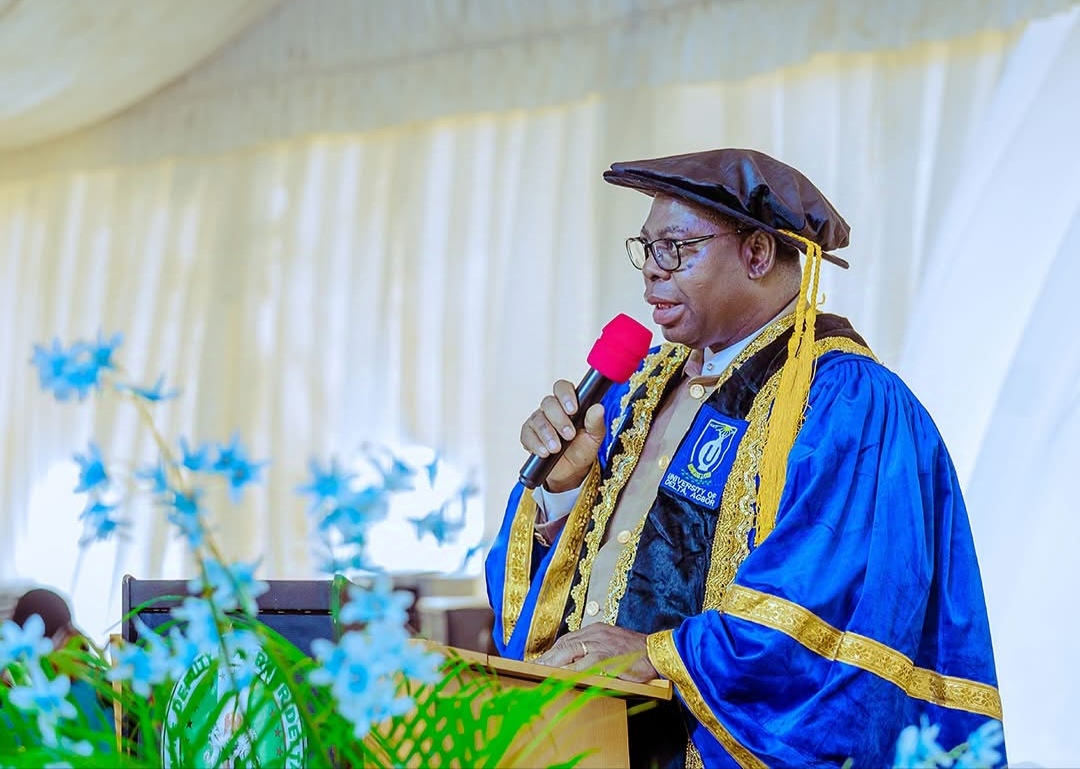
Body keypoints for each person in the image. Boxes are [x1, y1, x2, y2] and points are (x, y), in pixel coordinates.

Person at [485, 148, 1006, 768]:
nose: (651, 272)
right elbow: (541, 605)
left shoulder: (846, 404)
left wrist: (656, 654)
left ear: (757, 253)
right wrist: (563, 492)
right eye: (646, 248)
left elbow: (823, 609)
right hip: (595, 740)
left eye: (676, 248)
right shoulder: (640, 391)